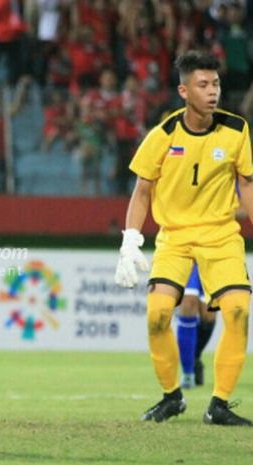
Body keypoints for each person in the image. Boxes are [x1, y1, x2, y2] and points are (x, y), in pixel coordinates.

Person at [114, 50, 253, 426]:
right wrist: (129, 241)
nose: (212, 92)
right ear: (183, 90)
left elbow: (246, 186)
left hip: (221, 235)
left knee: (239, 310)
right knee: (158, 314)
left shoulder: (238, 131)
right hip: (174, 236)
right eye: (203, 85)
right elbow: (142, 191)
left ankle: (219, 405)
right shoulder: (162, 136)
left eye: (216, 84)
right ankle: (171, 396)